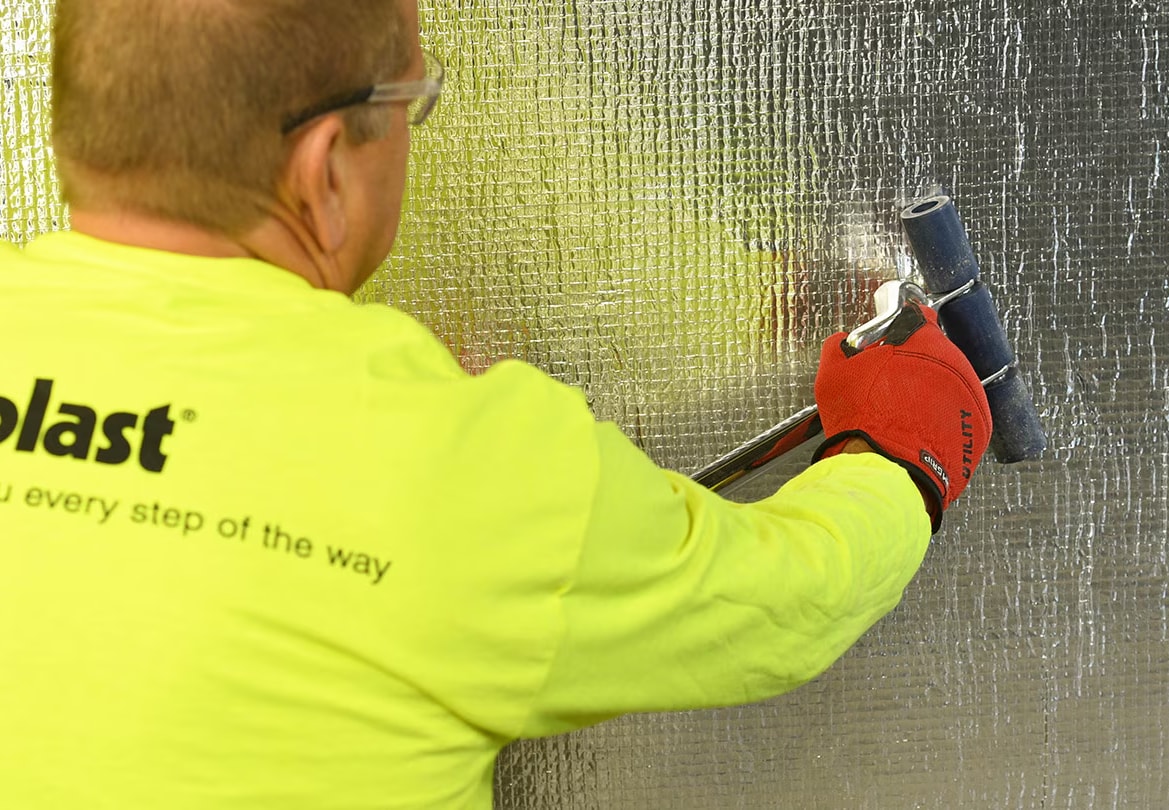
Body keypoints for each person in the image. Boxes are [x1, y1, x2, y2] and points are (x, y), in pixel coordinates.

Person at [0, 0, 992, 807]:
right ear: (324, 169)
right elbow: (779, 600)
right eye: (411, 108)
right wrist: (900, 454)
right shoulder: (453, 460)